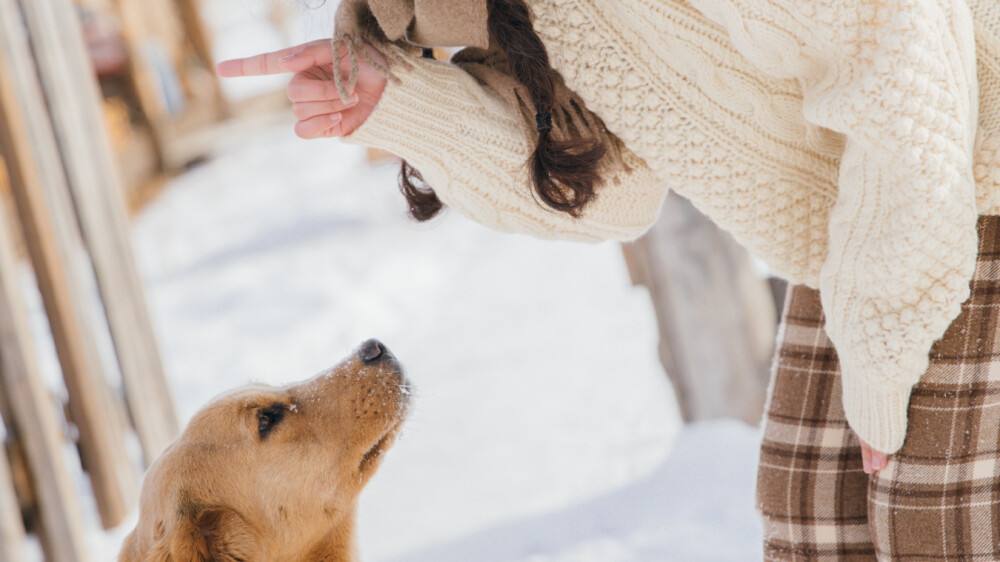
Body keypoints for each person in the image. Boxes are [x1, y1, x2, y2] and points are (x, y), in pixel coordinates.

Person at [219, 0, 1000, 558]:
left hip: (961, 182)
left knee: (933, 532)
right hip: (861, 236)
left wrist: (886, 340)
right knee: (811, 523)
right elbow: (611, 188)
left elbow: (903, 50)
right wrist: (401, 103)